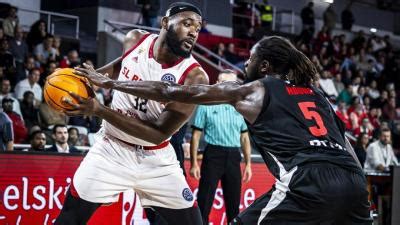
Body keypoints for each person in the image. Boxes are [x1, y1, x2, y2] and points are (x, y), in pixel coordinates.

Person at [75, 35, 372, 224]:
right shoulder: (317, 95)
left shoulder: (253, 89)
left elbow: (170, 92)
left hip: (308, 178)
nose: (246, 62)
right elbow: (349, 148)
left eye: (252, 58)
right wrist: (360, 190)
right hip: (354, 182)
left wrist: (111, 84)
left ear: (265, 66)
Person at [55, 3, 207, 225]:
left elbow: (157, 134)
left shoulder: (195, 77)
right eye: (187, 23)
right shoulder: (136, 39)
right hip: (110, 150)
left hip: (157, 159)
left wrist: (99, 110)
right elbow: (120, 67)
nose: (194, 31)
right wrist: (90, 79)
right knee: (69, 219)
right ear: (165, 23)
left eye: (198, 27)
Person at [190, 70, 252, 224]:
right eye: (225, 83)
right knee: (204, 202)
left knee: (234, 206)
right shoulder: (206, 105)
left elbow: (244, 137)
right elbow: (196, 136)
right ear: (217, 83)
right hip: (213, 155)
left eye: (232, 83)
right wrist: (193, 163)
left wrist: (249, 164)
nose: (228, 86)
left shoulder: (239, 107)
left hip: (234, 157)